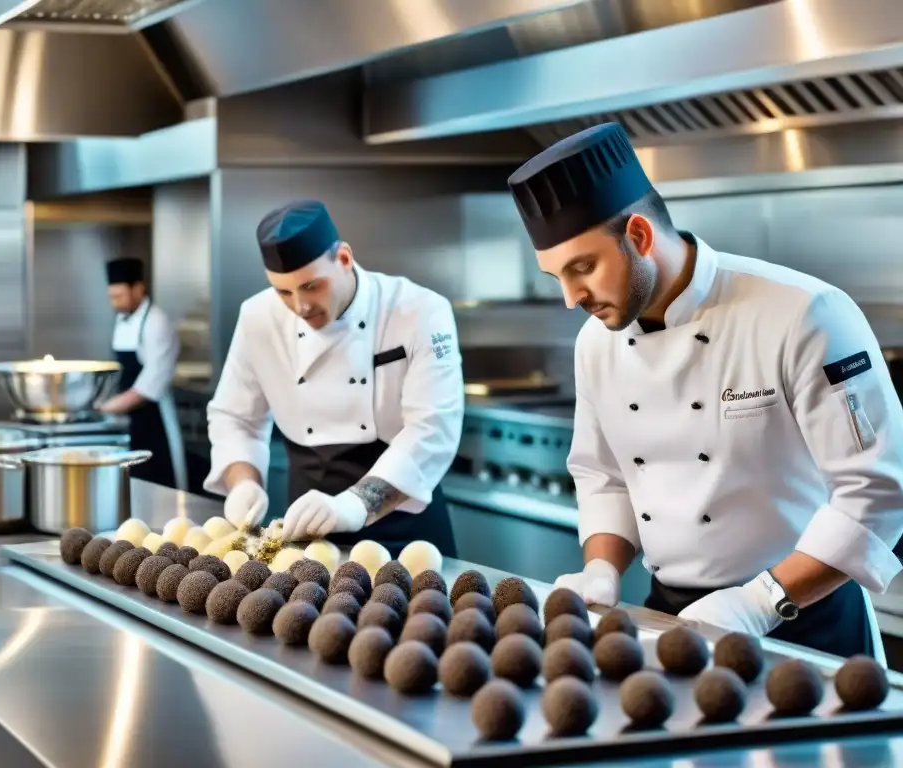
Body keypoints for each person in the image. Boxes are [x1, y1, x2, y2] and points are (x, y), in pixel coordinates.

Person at [508, 122, 903, 659]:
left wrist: (761, 602)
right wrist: (600, 568)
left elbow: (877, 490)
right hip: (670, 620)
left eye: (583, 268)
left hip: (804, 624)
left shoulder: (804, 313)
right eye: (557, 276)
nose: (571, 297)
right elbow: (604, 476)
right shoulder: (595, 345)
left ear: (640, 237)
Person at [204, 200, 463, 557]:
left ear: (343, 259)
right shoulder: (257, 317)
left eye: (311, 286)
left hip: (406, 527)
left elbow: (433, 430)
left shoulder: (420, 311)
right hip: (309, 531)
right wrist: (242, 483)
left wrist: (355, 505)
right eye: (283, 291)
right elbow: (236, 418)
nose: (300, 306)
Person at [99, 257, 187, 491]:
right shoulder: (121, 319)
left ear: (138, 289)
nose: (115, 303)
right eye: (111, 297)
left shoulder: (157, 322)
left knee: (157, 482)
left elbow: (151, 385)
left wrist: (106, 408)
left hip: (154, 418)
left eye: (119, 296)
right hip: (129, 418)